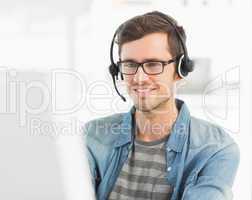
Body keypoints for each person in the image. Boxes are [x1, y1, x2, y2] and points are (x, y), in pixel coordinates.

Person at [83, 11, 239, 200]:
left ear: (180, 70)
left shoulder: (215, 149)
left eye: (153, 64)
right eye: (130, 65)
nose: (139, 78)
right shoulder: (91, 136)